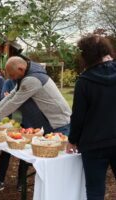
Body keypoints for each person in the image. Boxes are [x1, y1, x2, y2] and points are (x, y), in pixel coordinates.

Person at [0, 56, 71, 192]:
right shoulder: (26, 74)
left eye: (12, 75)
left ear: (21, 69)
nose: (10, 78)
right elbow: (11, 96)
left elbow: (15, 102)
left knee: (57, 170)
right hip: (49, 124)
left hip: (60, 124)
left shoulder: (31, 80)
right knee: (49, 168)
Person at [66, 35, 116, 200]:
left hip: (93, 144)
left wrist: (72, 140)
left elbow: (78, 116)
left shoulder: (84, 81)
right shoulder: (84, 80)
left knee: (94, 191)